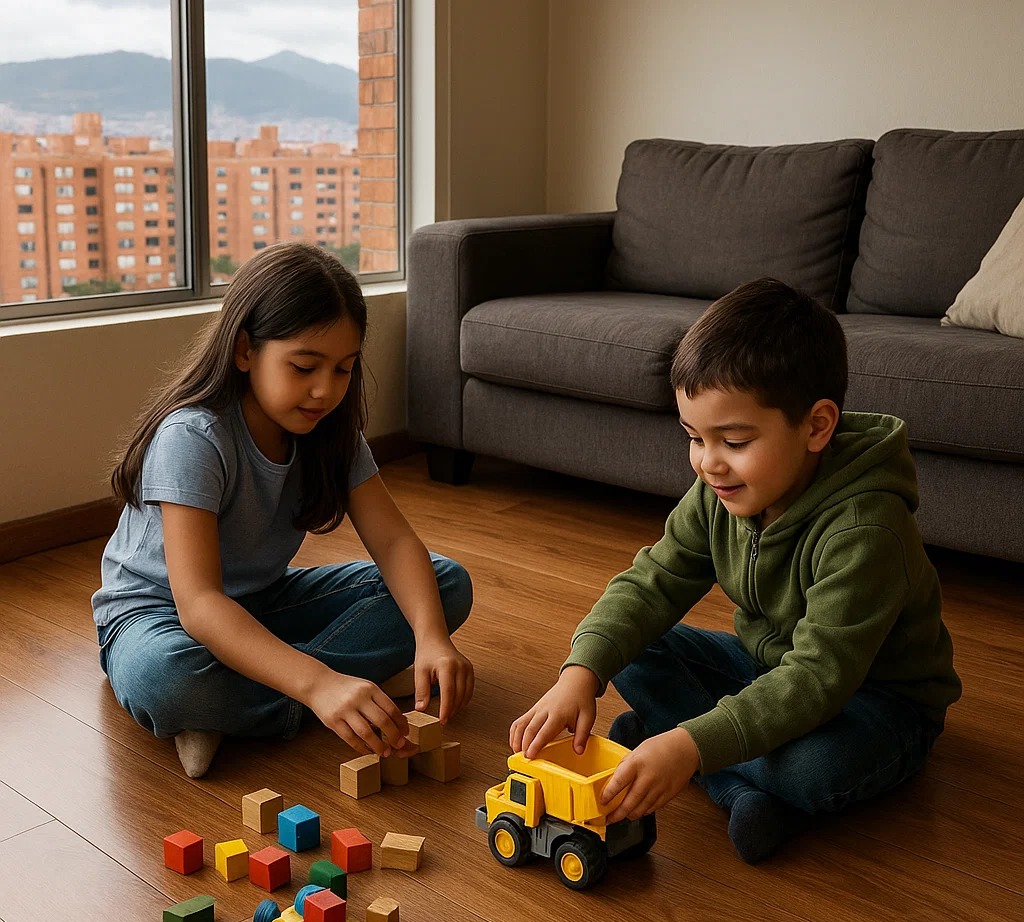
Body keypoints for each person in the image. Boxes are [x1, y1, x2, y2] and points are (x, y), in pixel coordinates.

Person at [510, 277, 961, 864]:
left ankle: (695, 759)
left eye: (735, 441)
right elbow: (652, 583)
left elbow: (817, 679)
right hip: (766, 668)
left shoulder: (866, 530)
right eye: (694, 438)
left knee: (814, 770)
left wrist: (688, 745)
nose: (708, 463)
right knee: (634, 650)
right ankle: (735, 783)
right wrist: (581, 672)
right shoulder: (716, 492)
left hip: (876, 702)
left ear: (816, 427)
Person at [93, 242, 474, 778]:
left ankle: (246, 705)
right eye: (304, 367)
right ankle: (321, 688)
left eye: (344, 369)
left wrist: (432, 638)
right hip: (157, 616)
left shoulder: (332, 433)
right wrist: (319, 682)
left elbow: (394, 543)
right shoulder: (193, 437)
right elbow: (199, 604)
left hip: (263, 601)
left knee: (446, 583)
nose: (324, 391)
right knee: (169, 681)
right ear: (245, 351)